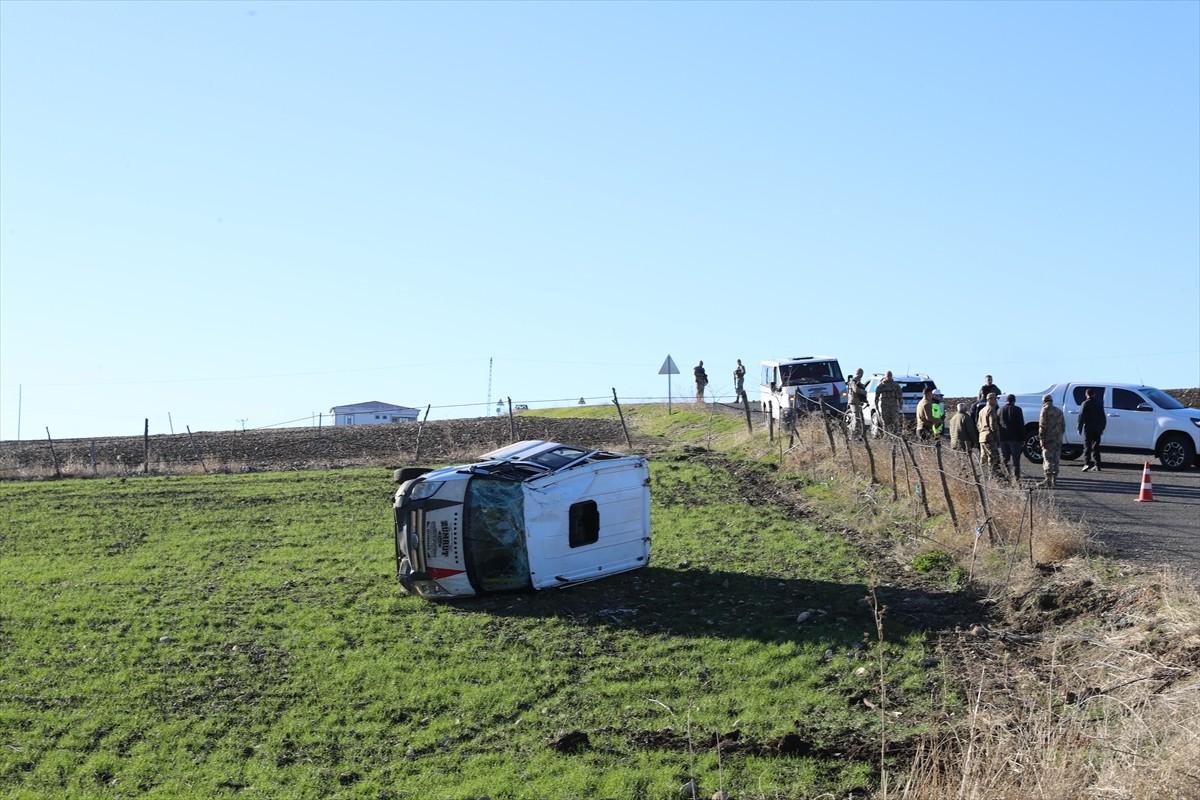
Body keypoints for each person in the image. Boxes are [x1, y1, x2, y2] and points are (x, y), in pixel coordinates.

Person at [1036, 394, 1065, 488]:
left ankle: (1048, 481)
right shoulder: (1059, 411)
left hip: (1048, 439)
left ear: (1043, 401)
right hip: (1058, 438)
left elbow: (1042, 426)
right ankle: (1055, 480)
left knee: (1048, 458)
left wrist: (1041, 438)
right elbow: (1063, 426)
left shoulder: (1045, 410)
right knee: (1056, 459)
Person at [997, 393, 1026, 483]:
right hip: (1015, 437)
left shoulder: (999, 410)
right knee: (1016, 459)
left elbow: (998, 424)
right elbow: (1021, 425)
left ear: (1006, 400)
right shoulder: (1017, 410)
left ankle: (1006, 476)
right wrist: (1023, 438)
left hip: (1003, 437)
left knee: (1005, 458)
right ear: (1014, 401)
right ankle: (1016, 477)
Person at [1078, 387, 1106, 471]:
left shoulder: (1085, 403)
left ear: (1086, 394)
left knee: (1087, 446)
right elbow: (1103, 417)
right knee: (1096, 447)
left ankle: (1087, 464)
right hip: (1097, 428)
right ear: (1094, 394)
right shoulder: (1099, 403)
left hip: (1089, 427)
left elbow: (1081, 416)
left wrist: (1079, 427)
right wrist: (1102, 428)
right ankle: (1097, 465)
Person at [977, 392, 1002, 477]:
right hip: (989, 436)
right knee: (992, 456)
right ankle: (993, 475)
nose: (996, 401)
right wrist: (996, 435)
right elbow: (993, 425)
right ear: (990, 400)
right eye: (995, 399)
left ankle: (982, 475)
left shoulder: (981, 410)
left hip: (982, 436)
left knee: (983, 457)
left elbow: (978, 424)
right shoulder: (991, 410)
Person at [874, 370, 903, 436]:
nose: (889, 377)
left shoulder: (895, 385)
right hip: (884, 405)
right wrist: (876, 406)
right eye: (888, 376)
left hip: (893, 405)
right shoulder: (881, 385)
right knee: (885, 421)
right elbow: (877, 395)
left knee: (895, 420)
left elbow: (900, 394)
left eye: (890, 376)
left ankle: (896, 435)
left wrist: (901, 403)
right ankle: (886, 435)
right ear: (885, 376)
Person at [846, 368, 868, 439]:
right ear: (859, 373)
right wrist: (865, 392)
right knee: (856, 419)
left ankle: (859, 435)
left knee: (860, 418)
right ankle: (854, 436)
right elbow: (855, 389)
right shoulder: (854, 381)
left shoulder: (858, 381)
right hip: (854, 401)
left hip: (857, 401)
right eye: (861, 373)